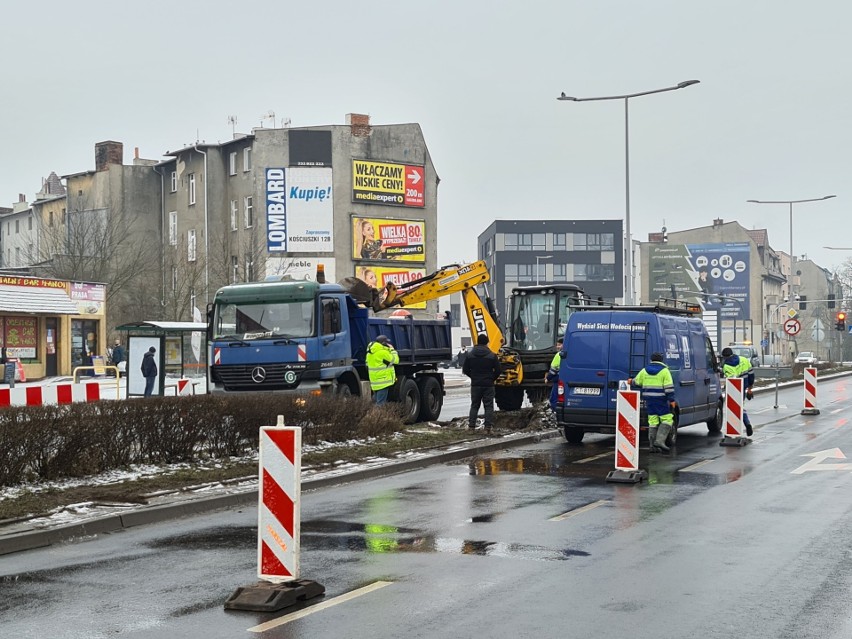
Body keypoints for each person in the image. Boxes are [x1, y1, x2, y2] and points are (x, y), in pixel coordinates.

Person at [629, 352, 676, 452]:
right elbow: (669, 388)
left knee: (653, 421)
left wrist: (630, 381)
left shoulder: (644, 370)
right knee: (667, 420)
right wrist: (672, 400)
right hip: (661, 400)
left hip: (649, 400)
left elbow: (637, 382)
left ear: (651, 360)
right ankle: (659, 441)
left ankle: (652, 446)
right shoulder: (665, 371)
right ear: (661, 360)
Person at [462, 333, 501, 435]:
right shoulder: (492, 356)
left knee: (474, 405)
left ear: (477, 342)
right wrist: (491, 378)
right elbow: (498, 370)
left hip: (475, 384)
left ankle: (471, 427)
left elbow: (465, 369)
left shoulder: (470, 355)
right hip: (488, 384)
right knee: (488, 406)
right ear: (487, 343)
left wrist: (473, 377)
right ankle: (487, 428)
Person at [721, 346, 755, 437]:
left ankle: (733, 430)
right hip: (743, 387)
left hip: (734, 389)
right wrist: (750, 388)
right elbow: (751, 374)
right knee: (740, 407)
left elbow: (732, 380)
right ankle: (746, 425)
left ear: (724, 357)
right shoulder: (744, 359)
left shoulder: (727, 366)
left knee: (733, 408)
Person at [366, 335, 399, 405]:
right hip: (383, 382)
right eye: (387, 343)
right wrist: (393, 350)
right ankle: (377, 416)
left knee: (377, 402)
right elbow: (396, 360)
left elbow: (367, 364)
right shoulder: (383, 352)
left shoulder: (369, 353)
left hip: (375, 382)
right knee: (380, 405)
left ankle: (374, 415)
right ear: (383, 343)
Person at [546, 338, 564, 409]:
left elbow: (553, 369)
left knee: (554, 399)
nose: (557, 347)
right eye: (557, 345)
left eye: (559, 345)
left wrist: (548, 378)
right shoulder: (571, 353)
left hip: (558, 379)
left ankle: (554, 413)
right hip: (564, 378)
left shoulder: (559, 355)